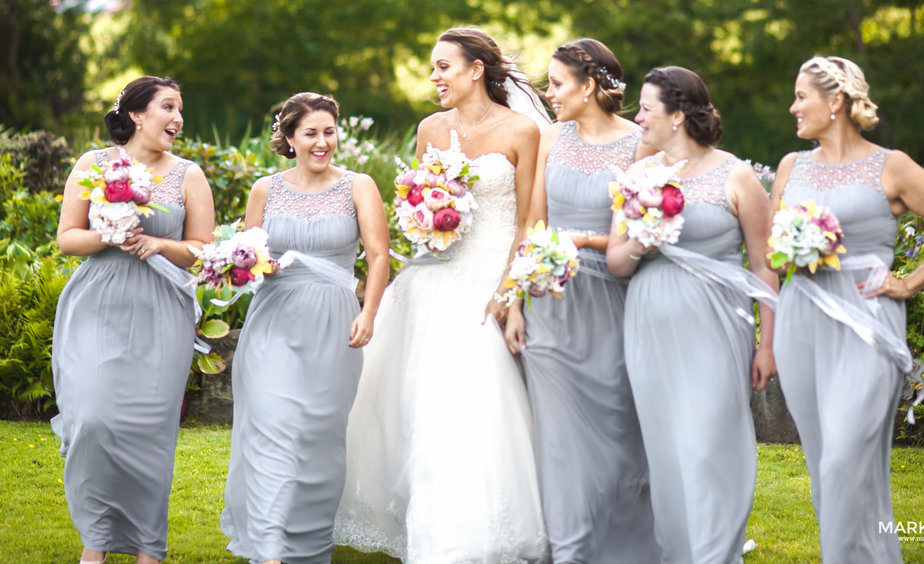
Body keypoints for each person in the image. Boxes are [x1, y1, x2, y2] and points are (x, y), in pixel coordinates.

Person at [333, 27, 549, 562]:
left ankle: (480, 529)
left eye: (443, 67)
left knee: (475, 400)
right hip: (435, 275)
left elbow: (530, 222)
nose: (434, 78)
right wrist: (423, 216)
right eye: (433, 68)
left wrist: (509, 291)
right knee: (422, 403)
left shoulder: (524, 130)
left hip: (492, 279)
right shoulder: (430, 128)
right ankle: (429, 528)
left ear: (477, 69)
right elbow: (418, 207)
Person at [769, 55, 924, 562]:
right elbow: (772, 249)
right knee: (825, 466)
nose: (793, 107)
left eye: (802, 96)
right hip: (802, 320)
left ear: (835, 101)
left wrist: (908, 283)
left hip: (866, 322)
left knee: (844, 459)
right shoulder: (790, 167)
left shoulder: (892, 166)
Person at [606, 66, 779, 563]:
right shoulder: (638, 177)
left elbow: (765, 267)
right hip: (650, 323)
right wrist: (642, 239)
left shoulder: (736, 175)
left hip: (715, 324)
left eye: (646, 109)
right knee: (665, 451)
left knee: (708, 444)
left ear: (678, 115)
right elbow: (617, 262)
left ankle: (716, 554)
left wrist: (768, 344)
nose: (637, 118)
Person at [503, 38, 659, 563]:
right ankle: (568, 550)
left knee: (618, 429)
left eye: (556, 83)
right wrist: (518, 304)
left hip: (612, 303)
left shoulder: (640, 145)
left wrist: (587, 242)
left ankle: (623, 544)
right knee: (558, 439)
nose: (548, 94)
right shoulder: (550, 138)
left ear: (589, 86)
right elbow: (533, 224)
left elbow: (641, 234)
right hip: (548, 301)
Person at [220, 92, 390, 564]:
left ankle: (311, 549)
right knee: (274, 425)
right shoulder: (264, 190)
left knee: (320, 434)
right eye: (311, 133)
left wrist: (369, 311)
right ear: (289, 137)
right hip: (274, 321)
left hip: (334, 324)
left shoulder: (359, 186)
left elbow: (379, 256)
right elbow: (247, 260)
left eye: (329, 132)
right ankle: (269, 549)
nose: (322, 142)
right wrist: (253, 266)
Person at [51, 76, 215, 564]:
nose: (178, 119)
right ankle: (96, 540)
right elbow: (67, 238)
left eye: (181, 109)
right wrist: (110, 231)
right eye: (168, 107)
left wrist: (159, 243)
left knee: (149, 432)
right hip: (97, 305)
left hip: (161, 308)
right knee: (92, 419)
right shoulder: (93, 164)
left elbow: (201, 251)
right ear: (138, 114)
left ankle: (147, 548)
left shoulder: (189, 175)